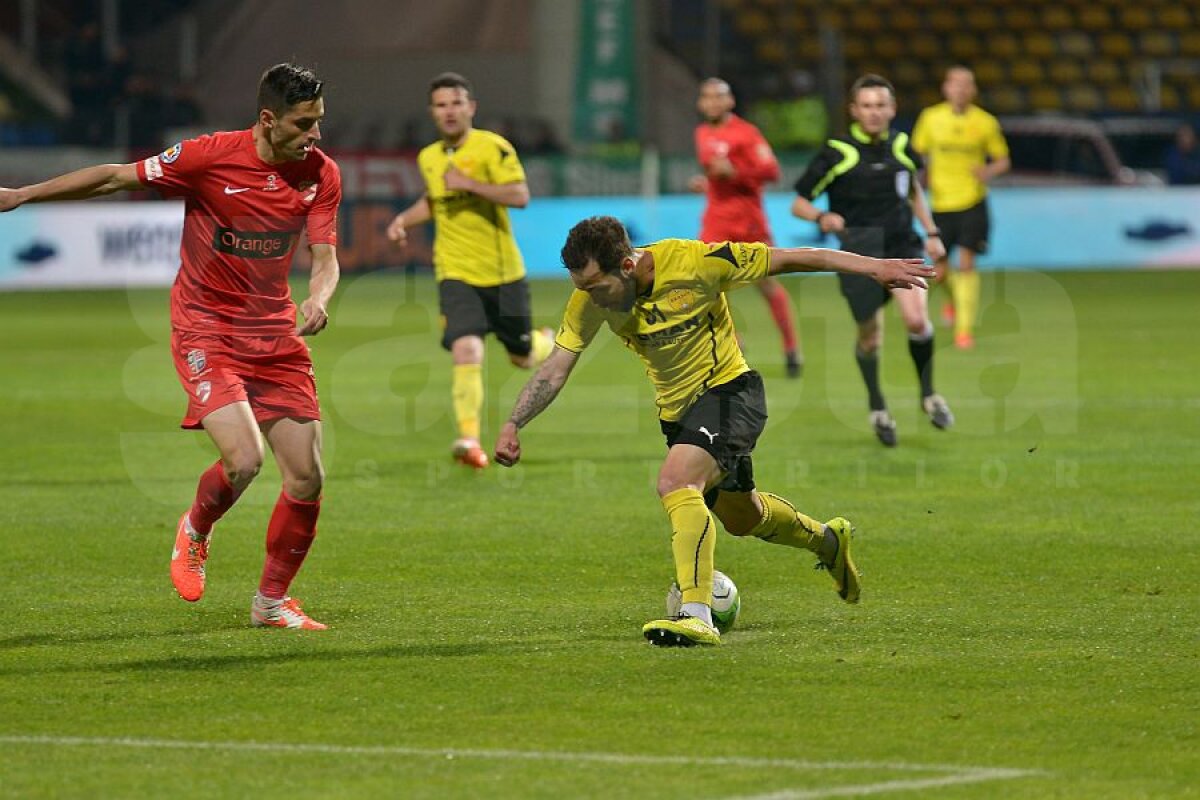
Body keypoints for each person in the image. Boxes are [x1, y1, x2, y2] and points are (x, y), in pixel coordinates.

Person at [0, 63, 343, 630]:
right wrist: (22, 195)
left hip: (274, 335)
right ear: (268, 119)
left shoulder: (320, 173)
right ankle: (196, 528)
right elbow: (115, 177)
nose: (316, 135)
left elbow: (324, 256)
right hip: (206, 328)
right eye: (305, 123)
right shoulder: (208, 157)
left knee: (307, 477)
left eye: (319, 121)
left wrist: (320, 297)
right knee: (245, 460)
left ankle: (271, 604)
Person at [494, 215, 935, 647]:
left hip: (731, 394)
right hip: (679, 416)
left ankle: (696, 614)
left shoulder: (696, 262)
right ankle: (827, 541)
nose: (590, 297)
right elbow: (554, 368)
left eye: (595, 286)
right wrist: (515, 423)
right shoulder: (590, 301)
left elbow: (795, 258)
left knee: (675, 482)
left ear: (626, 266)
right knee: (744, 518)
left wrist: (875, 267)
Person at [387, 72, 554, 469]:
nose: (449, 111)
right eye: (441, 104)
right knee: (466, 347)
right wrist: (403, 221)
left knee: (523, 356)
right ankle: (469, 440)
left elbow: (520, 195)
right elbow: (434, 199)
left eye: (456, 103)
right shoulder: (428, 157)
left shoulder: (492, 148)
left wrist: (470, 183)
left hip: (501, 271)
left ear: (471, 108)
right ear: (432, 112)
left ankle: (545, 342)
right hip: (454, 270)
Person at [792, 74, 954, 448]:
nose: (874, 112)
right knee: (870, 336)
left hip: (902, 245)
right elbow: (798, 202)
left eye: (881, 105)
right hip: (858, 253)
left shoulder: (900, 145)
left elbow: (912, 189)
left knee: (916, 319)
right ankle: (877, 406)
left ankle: (929, 395)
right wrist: (821, 218)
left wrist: (930, 232)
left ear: (892, 109)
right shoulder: (837, 152)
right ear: (854, 111)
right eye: (866, 106)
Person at [690, 77, 804, 378]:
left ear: (730, 101)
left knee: (766, 284)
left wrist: (737, 172)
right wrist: (707, 182)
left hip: (748, 220)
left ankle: (791, 348)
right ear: (701, 103)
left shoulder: (747, 133)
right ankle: (733, 344)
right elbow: (716, 173)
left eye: (719, 96)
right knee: (702, 283)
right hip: (716, 219)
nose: (713, 102)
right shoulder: (701, 133)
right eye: (707, 97)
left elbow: (772, 171)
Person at [911, 66, 1010, 350]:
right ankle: (953, 303)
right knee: (940, 271)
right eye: (955, 84)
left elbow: (1003, 160)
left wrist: (987, 172)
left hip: (972, 201)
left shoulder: (985, 122)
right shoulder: (930, 118)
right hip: (940, 203)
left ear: (973, 90)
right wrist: (922, 178)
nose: (961, 90)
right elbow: (918, 155)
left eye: (967, 84)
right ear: (946, 88)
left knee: (966, 262)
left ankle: (964, 332)